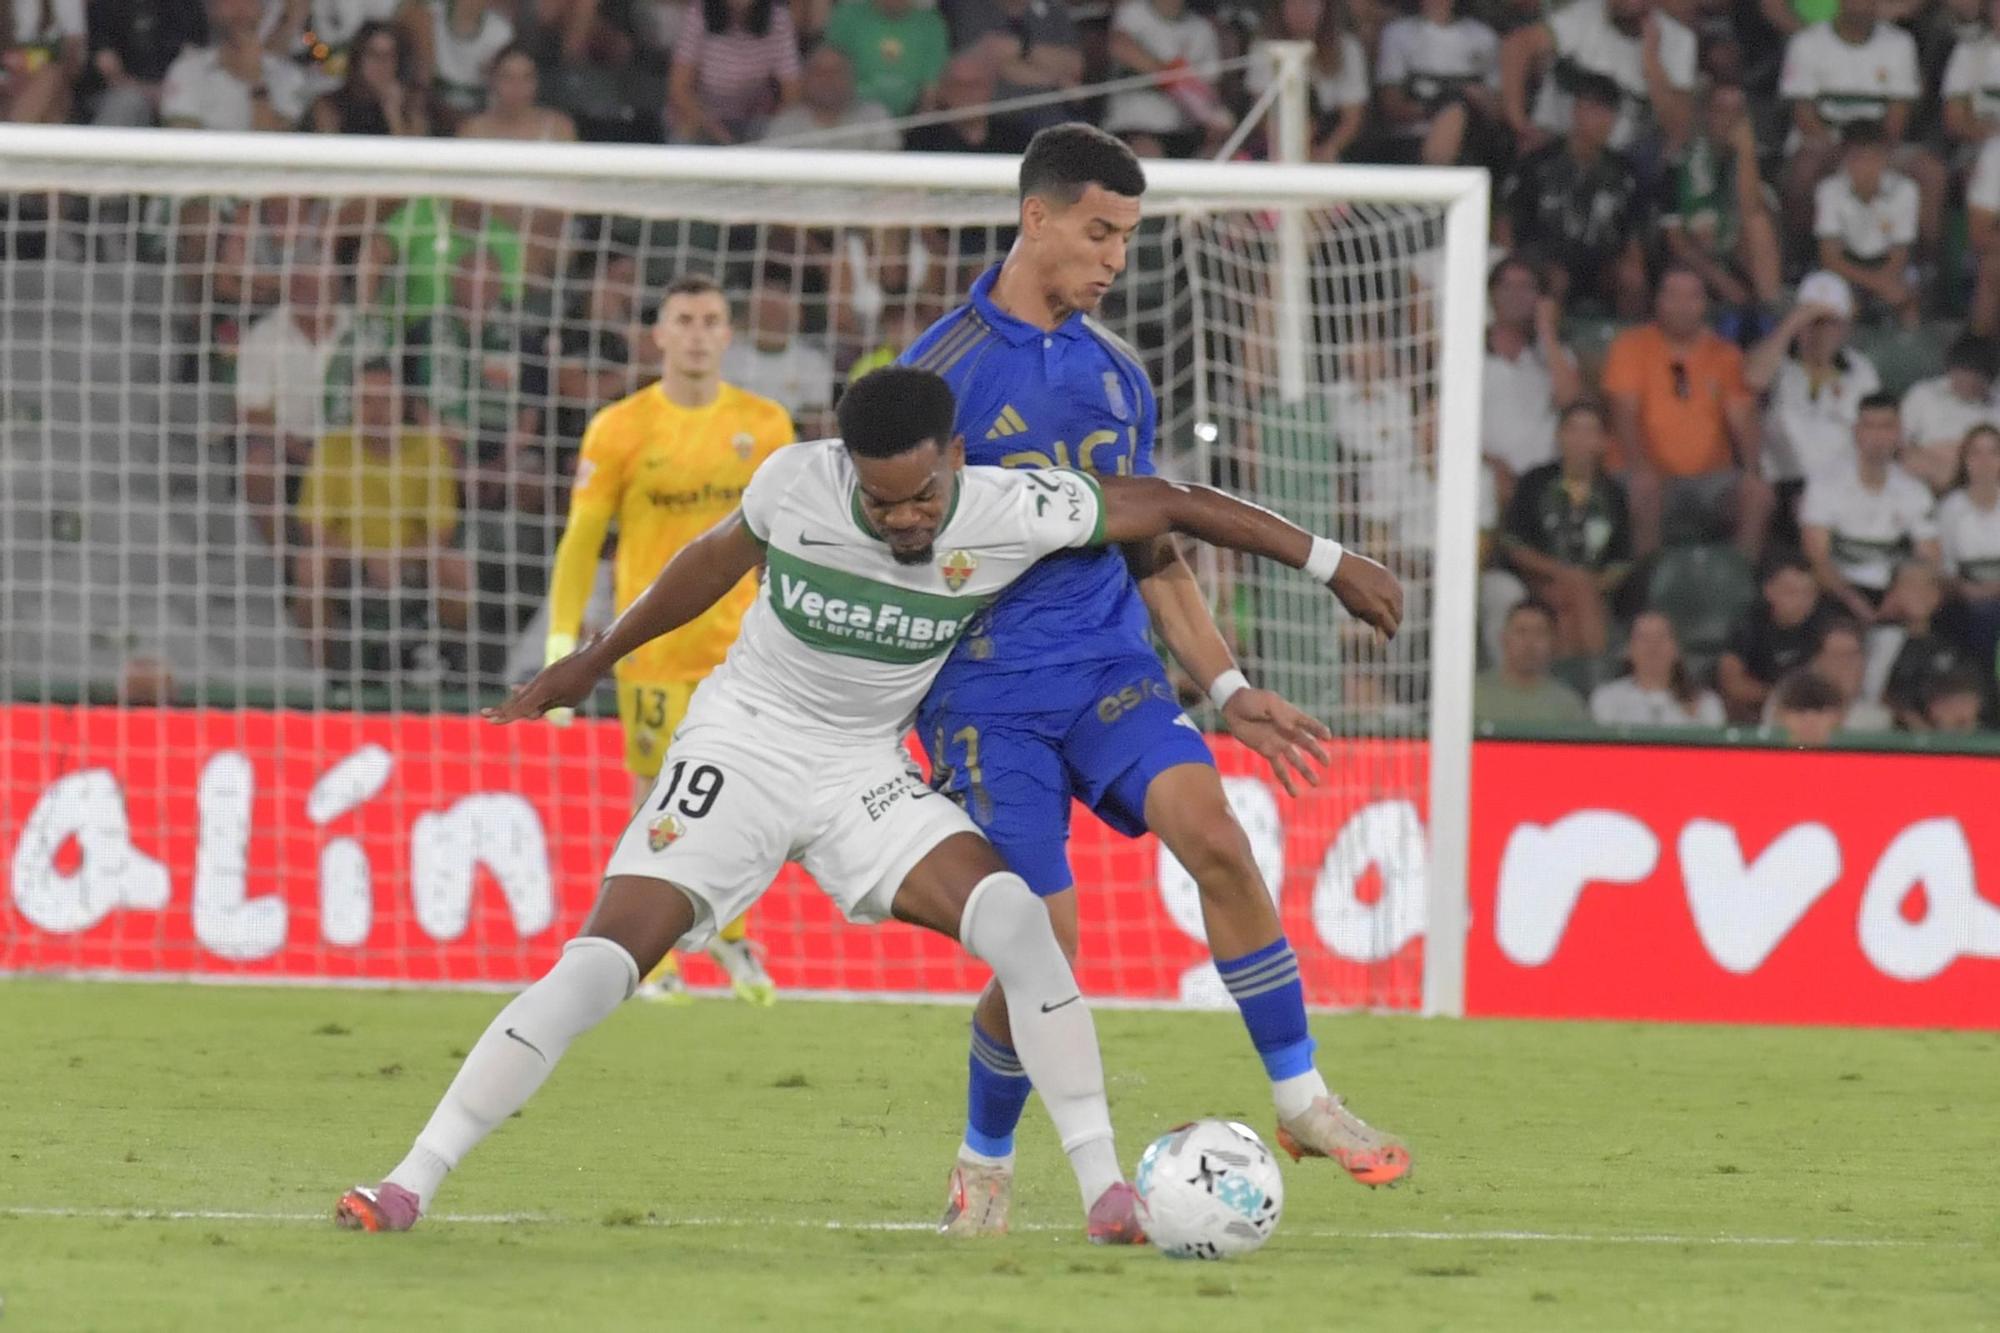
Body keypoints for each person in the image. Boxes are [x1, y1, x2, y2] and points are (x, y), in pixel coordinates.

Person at [332, 364, 1404, 1237]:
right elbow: (702, 569)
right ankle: (409, 1179)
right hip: (743, 745)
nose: (901, 519)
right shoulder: (793, 484)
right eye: (880, 498)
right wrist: (589, 661)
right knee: (603, 962)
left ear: (956, 460)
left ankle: (1104, 1193)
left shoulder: (1010, 506)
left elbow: (1169, 505)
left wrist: (1328, 559)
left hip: (862, 770)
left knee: (1024, 925)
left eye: (920, 497)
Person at [897, 125, 1411, 1236]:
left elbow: (1158, 551)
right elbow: (888, 541)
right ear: (1035, 218)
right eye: (1097, 232)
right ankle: (983, 1160)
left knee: (1214, 833)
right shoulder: (934, 376)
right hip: (984, 693)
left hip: (1109, 666)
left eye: (1126, 237)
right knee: (1042, 938)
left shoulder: (1115, 373)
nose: (1112, 257)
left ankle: (1301, 1098)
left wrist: (1227, 691)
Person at [544, 271, 796, 1004]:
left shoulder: (767, 424)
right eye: (683, 318)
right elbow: (581, 540)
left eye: (711, 319)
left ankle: (731, 931)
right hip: (651, 648)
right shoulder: (620, 428)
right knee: (658, 803)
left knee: (748, 800)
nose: (696, 332)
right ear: (658, 332)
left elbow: (791, 539)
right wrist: (564, 639)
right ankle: (648, 958)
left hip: (746, 653)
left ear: (728, 333)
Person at [292, 359, 470, 668]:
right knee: (310, 565)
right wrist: (369, 556)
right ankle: (323, 674)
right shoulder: (333, 448)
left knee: (456, 568)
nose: (375, 410)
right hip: (348, 564)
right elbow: (313, 528)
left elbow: (441, 533)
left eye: (385, 400)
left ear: (403, 404)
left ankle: (456, 667)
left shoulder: (431, 450)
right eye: (365, 400)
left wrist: (395, 558)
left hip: (413, 565)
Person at [1601, 264, 1772, 558]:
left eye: (1692, 297)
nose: (1682, 306)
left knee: (1757, 494)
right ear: (1658, 300)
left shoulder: (1725, 353)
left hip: (1711, 480)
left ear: (1705, 303)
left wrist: (1753, 471)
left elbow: (1743, 417)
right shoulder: (1631, 345)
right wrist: (1640, 468)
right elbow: (1623, 414)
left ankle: (1744, 585)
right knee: (1644, 490)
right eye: (1673, 296)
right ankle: (1646, 583)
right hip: (1646, 474)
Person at [1495, 70, 1649, 317]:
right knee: (1556, 278)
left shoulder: (1625, 172)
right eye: (1593, 108)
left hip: (1602, 265)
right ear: (1576, 110)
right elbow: (1506, 219)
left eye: (1608, 111)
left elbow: (1633, 234)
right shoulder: (1538, 163)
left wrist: (1634, 266)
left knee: (1631, 277)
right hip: (1545, 260)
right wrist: (1513, 267)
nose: (1601, 119)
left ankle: (1627, 343)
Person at [1744, 269, 1878, 533]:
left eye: (1830, 323)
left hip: (1846, 479)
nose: (1822, 332)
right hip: (1788, 482)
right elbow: (1753, 379)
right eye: (1814, 323)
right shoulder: (1777, 363)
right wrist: (1795, 322)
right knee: (1810, 505)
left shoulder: (1860, 369)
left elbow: (1874, 426)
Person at [1499, 401, 1632, 660]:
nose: (1580, 439)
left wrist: (1585, 585)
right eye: (1573, 429)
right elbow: (1515, 546)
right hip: (1538, 583)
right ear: (1559, 435)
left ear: (1604, 441)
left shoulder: (1613, 494)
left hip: (1592, 592)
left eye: (1590, 431)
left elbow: (1620, 564)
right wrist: (1566, 576)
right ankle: (1594, 681)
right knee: (1573, 597)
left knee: (1572, 609)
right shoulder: (1534, 482)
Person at [1800, 391, 1941, 619]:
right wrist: (1855, 603)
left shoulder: (1914, 490)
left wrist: (1898, 596)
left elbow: (1930, 557)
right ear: (1856, 431)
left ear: (1898, 433)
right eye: (1869, 427)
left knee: (1923, 594)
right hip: (1841, 592)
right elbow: (1817, 557)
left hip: (1894, 593)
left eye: (1886, 427)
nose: (1877, 437)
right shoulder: (1825, 484)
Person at [1500, 0, 1698, 156]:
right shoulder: (1586, 14)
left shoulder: (1679, 40)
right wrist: (1519, 122)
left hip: (1622, 165)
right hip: (1554, 145)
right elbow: (1517, 45)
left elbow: (1678, 129)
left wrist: (1652, 65)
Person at [1658, 77, 1784, 322]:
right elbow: (1676, 241)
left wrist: (1746, 152)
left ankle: (1770, 312)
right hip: (1695, 256)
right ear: (1706, 114)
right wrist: (1721, 280)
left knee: (1759, 225)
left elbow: (1753, 211)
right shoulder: (1681, 158)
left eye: (1738, 113)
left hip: (1738, 250)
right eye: (1722, 111)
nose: (1729, 120)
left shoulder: (1758, 159)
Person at [1482, 256, 1584, 506]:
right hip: (1481, 473)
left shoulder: (1556, 355)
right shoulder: (1465, 354)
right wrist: (1488, 464)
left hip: (1543, 482)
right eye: (1507, 286)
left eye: (1526, 287)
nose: (1516, 295)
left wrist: (1546, 332)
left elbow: (1572, 405)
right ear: (1491, 294)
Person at [1811, 124, 1920, 328]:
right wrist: (1876, 284)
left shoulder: (1906, 190)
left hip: (1886, 264)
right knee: (1835, 301)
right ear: (1845, 159)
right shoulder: (1829, 190)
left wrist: (1886, 284)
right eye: (1857, 158)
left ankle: (1907, 347)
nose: (1865, 167)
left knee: (1908, 298)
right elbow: (1830, 257)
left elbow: (1900, 252)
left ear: (1885, 159)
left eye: (1873, 158)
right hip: (1846, 265)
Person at [1373, 0, 1502, 167]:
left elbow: (1499, 112)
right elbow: (1391, 105)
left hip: (1472, 141)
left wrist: (1479, 99)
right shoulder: (1397, 34)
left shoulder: (1484, 37)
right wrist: (1440, 106)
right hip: (1412, 139)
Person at [1244, 0, 1370, 162]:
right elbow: (1261, 113)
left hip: (1331, 144)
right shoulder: (1264, 47)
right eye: (1293, 3)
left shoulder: (1348, 49)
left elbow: (1352, 118)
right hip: (1276, 144)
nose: (1301, 10)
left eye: (1310, 3)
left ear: (1325, 8)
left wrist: (1328, 149)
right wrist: (1288, 151)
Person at [720, 267, 838, 439]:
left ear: (796, 313)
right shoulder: (727, 359)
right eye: (767, 308)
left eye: (779, 307)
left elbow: (815, 425)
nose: (773, 315)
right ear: (751, 311)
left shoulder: (813, 362)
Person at [1716, 550, 1829, 723]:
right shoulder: (1748, 625)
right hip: (1754, 715)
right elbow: (1732, 683)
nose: (1801, 601)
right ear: (1769, 591)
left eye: (1808, 593)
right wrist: (1779, 697)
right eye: (1791, 592)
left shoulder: (1825, 628)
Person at [669, 0, 803, 144]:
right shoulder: (697, 13)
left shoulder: (779, 19)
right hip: (700, 116)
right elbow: (679, 88)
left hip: (756, 121)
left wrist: (772, 128)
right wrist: (719, 133)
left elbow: (792, 93)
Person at [161, 0, 308, 131]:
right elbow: (183, 145)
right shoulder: (187, 70)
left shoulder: (289, 77)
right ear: (211, 9)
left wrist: (256, 81)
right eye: (228, 1)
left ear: (262, 10)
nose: (240, 8)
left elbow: (276, 150)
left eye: (249, 1)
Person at [1899, 335, 2000, 495]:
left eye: (1975, 378)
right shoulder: (1923, 394)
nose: (1967, 382)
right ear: (1951, 369)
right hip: (1923, 482)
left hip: (1984, 487)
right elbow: (1899, 447)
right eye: (1962, 373)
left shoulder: (1997, 407)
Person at [1590, 610, 1726, 726]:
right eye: (1643, 638)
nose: (1653, 646)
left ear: (1677, 649)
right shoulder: (1607, 699)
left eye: (1662, 637)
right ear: (1628, 650)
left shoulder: (1707, 704)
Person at [1938, 423, 2000, 665]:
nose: (1985, 462)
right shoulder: (1950, 507)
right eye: (1976, 453)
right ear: (1965, 459)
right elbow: (1944, 567)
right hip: (1964, 597)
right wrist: (1966, 590)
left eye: (1993, 452)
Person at [823, 0, 949, 118]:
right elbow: (828, 72)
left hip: (909, 122)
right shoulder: (848, 15)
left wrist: (915, 131)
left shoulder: (931, 24)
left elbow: (931, 92)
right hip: (852, 118)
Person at [1473, 597, 1591, 724]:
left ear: (1554, 642)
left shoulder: (1567, 705)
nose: (1529, 643)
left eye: (1539, 633)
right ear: (1503, 638)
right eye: (1521, 632)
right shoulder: (1474, 694)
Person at [761, 42, 898, 149]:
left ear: (851, 78)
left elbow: (892, 176)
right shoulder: (785, 124)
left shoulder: (875, 117)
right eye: (819, 72)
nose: (828, 79)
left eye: (836, 71)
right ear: (805, 79)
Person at [309, 20, 429, 134]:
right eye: (373, 54)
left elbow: (414, 152)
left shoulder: (412, 103)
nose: (382, 62)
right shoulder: (330, 105)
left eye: (389, 55)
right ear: (359, 60)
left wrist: (393, 113)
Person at [415, 0, 516, 129]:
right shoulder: (429, 15)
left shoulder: (501, 32)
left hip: (479, 114)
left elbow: (497, 89)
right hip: (431, 110)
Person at [903, 51, 1030, 154]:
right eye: (959, 85)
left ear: (990, 89)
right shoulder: (923, 141)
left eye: (976, 85)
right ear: (944, 91)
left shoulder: (1015, 139)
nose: (968, 93)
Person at [2, 0, 85, 124]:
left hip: (47, 71)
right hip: (6, 70)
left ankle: (18, 132)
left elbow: (73, 49)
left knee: (49, 77)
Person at [1767, 667, 1846, 745]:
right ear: (1779, 714)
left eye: (1820, 711)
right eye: (1799, 710)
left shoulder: (1851, 755)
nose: (1810, 720)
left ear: (1839, 717)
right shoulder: (1762, 755)